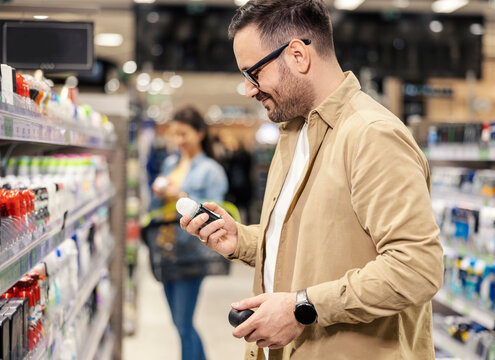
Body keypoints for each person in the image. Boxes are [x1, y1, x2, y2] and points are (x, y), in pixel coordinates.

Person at [180, 1, 444, 359]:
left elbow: (416, 267)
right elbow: (311, 244)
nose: (249, 90)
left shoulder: (371, 135)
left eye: (253, 73)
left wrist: (302, 308)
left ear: (298, 55)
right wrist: (241, 239)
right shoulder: (294, 133)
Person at [149, 106, 229, 360]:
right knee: (178, 323)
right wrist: (159, 193)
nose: (179, 140)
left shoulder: (211, 171)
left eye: (184, 134)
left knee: (183, 324)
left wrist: (179, 196)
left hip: (191, 251)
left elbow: (215, 213)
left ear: (200, 133)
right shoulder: (172, 162)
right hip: (165, 246)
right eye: (175, 134)